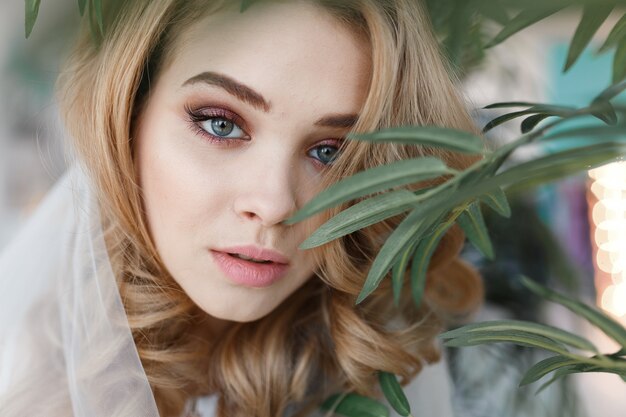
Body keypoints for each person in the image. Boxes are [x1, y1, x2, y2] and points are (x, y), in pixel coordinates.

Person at [0, 0, 483, 416]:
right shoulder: (17, 364)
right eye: (220, 126)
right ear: (128, 114)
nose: (274, 205)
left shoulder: (385, 370)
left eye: (332, 152)